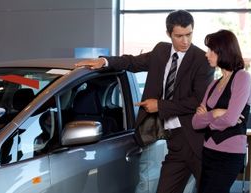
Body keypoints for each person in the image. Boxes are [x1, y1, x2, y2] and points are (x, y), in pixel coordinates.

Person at [76, 10, 214, 193]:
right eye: (179, 36)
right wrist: (104, 61)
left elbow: (198, 100)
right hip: (168, 138)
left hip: (193, 138)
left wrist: (160, 105)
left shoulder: (201, 60)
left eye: (189, 34)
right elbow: (133, 62)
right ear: (169, 34)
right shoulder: (160, 51)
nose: (185, 41)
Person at [192, 29, 251, 193]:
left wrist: (207, 117)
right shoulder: (213, 84)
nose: (207, 54)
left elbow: (231, 119)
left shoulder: (242, 77)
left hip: (229, 155)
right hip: (208, 152)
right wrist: (215, 113)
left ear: (223, 51)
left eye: (211, 50)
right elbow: (195, 123)